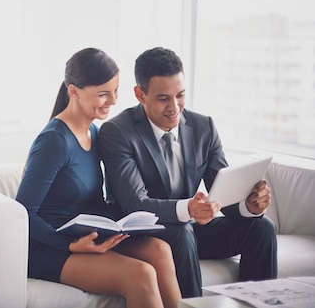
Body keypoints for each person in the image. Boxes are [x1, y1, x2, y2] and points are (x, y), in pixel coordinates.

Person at [99, 46, 278, 298]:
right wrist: (188, 209)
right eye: (163, 98)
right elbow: (133, 204)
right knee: (182, 233)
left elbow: (222, 195)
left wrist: (251, 206)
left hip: (188, 230)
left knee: (261, 228)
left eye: (180, 95)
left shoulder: (203, 126)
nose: (174, 107)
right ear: (140, 94)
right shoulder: (117, 132)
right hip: (143, 233)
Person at [15, 48, 182, 308]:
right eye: (103, 93)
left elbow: (93, 201)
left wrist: (124, 224)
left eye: (115, 90)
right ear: (74, 91)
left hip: (87, 236)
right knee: (141, 274)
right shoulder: (54, 141)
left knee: (160, 250)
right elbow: (24, 211)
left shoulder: (95, 132)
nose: (113, 100)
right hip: (47, 247)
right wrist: (70, 245)